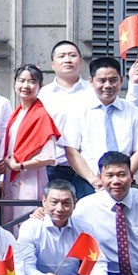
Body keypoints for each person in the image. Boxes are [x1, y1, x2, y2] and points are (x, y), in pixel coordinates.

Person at [62, 57, 138, 194]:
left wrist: (122, 177)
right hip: (88, 183)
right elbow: (71, 151)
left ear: (121, 80)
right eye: (102, 80)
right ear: (91, 81)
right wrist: (94, 180)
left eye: (113, 80)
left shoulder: (134, 112)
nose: (108, 85)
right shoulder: (77, 111)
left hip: (124, 185)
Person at [0, 63, 60, 223]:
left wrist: (20, 166)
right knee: (10, 221)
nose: (26, 85)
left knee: (26, 221)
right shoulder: (17, 113)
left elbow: (49, 157)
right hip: (11, 177)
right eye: (21, 80)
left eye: (32, 81)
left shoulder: (41, 115)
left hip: (30, 178)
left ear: (40, 86)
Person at [41, 40, 93, 197]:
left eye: (72, 55)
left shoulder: (92, 92)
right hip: (53, 167)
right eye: (61, 56)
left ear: (81, 61)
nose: (67, 60)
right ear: (52, 64)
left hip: (87, 169)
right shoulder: (43, 94)